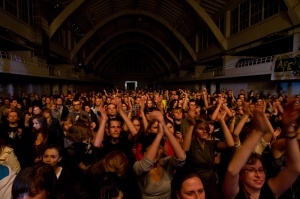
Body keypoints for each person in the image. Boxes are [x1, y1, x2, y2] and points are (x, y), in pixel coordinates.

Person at [222, 99, 300, 199]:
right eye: (251, 170)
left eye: (261, 170)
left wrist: (289, 128)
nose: (258, 175)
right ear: (240, 176)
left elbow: (295, 169)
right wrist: (258, 132)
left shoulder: (271, 190)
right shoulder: (234, 194)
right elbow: (232, 171)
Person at [133, 110, 186, 199]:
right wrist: (159, 135)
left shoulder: (165, 163)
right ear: (145, 151)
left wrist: (164, 127)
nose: (157, 151)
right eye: (153, 148)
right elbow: (146, 164)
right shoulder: (138, 166)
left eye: (160, 148)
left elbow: (181, 158)